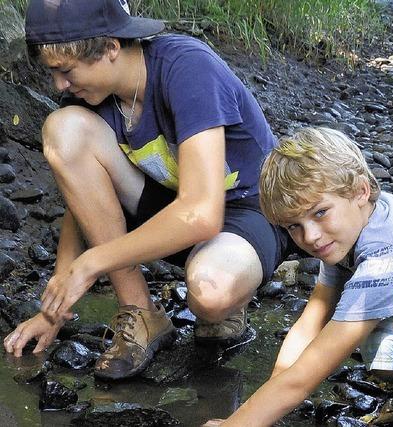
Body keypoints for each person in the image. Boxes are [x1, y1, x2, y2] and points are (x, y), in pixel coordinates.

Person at [2, 0, 288, 380]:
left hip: (249, 210)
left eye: (66, 71)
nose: (59, 84)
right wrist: (56, 307)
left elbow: (202, 215)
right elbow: (82, 203)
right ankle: (141, 314)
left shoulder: (187, 68)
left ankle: (235, 297)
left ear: (110, 48)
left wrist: (92, 263)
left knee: (212, 293)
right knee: (63, 127)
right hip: (171, 208)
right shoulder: (90, 96)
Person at [204, 127, 393, 426]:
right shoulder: (352, 228)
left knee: (382, 342)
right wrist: (255, 410)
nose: (309, 236)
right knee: (377, 340)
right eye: (293, 226)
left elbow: (306, 374)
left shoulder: (383, 252)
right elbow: (309, 326)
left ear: (361, 190)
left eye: (320, 212)